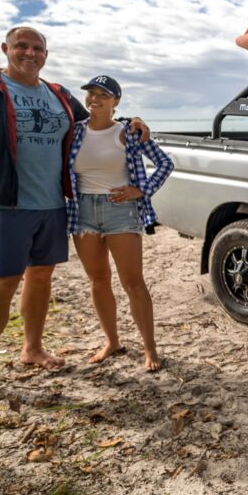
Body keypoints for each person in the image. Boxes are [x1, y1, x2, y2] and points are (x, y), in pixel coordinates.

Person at [0, 26, 148, 409]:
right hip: (5, 204)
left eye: (37, 48)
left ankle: (32, 348)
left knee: (41, 275)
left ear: (45, 54)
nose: (30, 53)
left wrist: (131, 122)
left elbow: (96, 121)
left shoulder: (59, 95)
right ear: (6, 49)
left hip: (52, 205)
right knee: (0, 285)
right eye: (21, 47)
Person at [66, 75, 172, 371]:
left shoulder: (129, 133)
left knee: (133, 283)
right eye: (91, 94)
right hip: (82, 211)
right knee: (98, 280)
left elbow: (165, 163)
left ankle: (150, 349)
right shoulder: (73, 132)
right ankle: (111, 341)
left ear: (116, 101)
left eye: (103, 94)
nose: (94, 99)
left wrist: (142, 190)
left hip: (120, 210)